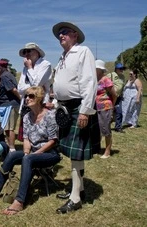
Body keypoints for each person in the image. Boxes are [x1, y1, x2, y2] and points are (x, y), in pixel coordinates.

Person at [0, 86, 60, 215]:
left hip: (50, 153)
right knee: (12, 156)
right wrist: (27, 152)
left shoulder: (50, 115)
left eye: (31, 96)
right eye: (26, 96)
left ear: (39, 98)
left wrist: (33, 155)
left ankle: (19, 201)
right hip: (33, 152)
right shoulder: (27, 116)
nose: (27, 99)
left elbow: (53, 141)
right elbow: (26, 139)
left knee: (28, 159)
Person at [51, 22, 100, 214]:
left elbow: (89, 82)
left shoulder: (83, 52)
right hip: (65, 107)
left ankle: (75, 198)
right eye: (60, 34)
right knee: (72, 152)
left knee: (75, 152)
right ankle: (77, 189)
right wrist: (56, 104)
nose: (61, 36)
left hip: (78, 105)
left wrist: (85, 110)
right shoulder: (63, 56)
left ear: (75, 35)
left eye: (65, 33)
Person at [18, 42, 53, 111]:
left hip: (40, 104)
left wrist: (30, 68)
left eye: (29, 51)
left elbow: (36, 85)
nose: (26, 54)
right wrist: (35, 87)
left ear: (37, 52)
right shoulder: (25, 68)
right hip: (26, 104)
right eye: (24, 52)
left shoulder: (45, 65)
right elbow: (20, 89)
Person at [0, 59, 21, 152]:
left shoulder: (5, 76)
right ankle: (9, 146)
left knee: (9, 128)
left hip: (9, 105)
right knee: (7, 127)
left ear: (1, 67)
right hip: (9, 104)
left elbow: (13, 90)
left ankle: (12, 148)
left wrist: (21, 99)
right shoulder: (9, 75)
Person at [95, 60, 117, 159]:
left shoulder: (106, 79)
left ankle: (107, 151)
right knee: (98, 129)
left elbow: (114, 95)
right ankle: (98, 148)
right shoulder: (95, 79)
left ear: (99, 69)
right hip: (96, 107)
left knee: (106, 129)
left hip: (105, 107)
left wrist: (112, 106)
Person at [106, 63, 126, 133]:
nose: (122, 70)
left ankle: (118, 127)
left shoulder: (123, 77)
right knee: (108, 112)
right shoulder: (110, 75)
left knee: (119, 112)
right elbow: (104, 84)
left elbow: (122, 87)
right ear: (116, 69)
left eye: (123, 69)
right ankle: (105, 125)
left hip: (119, 97)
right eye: (120, 69)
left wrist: (122, 94)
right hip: (110, 97)